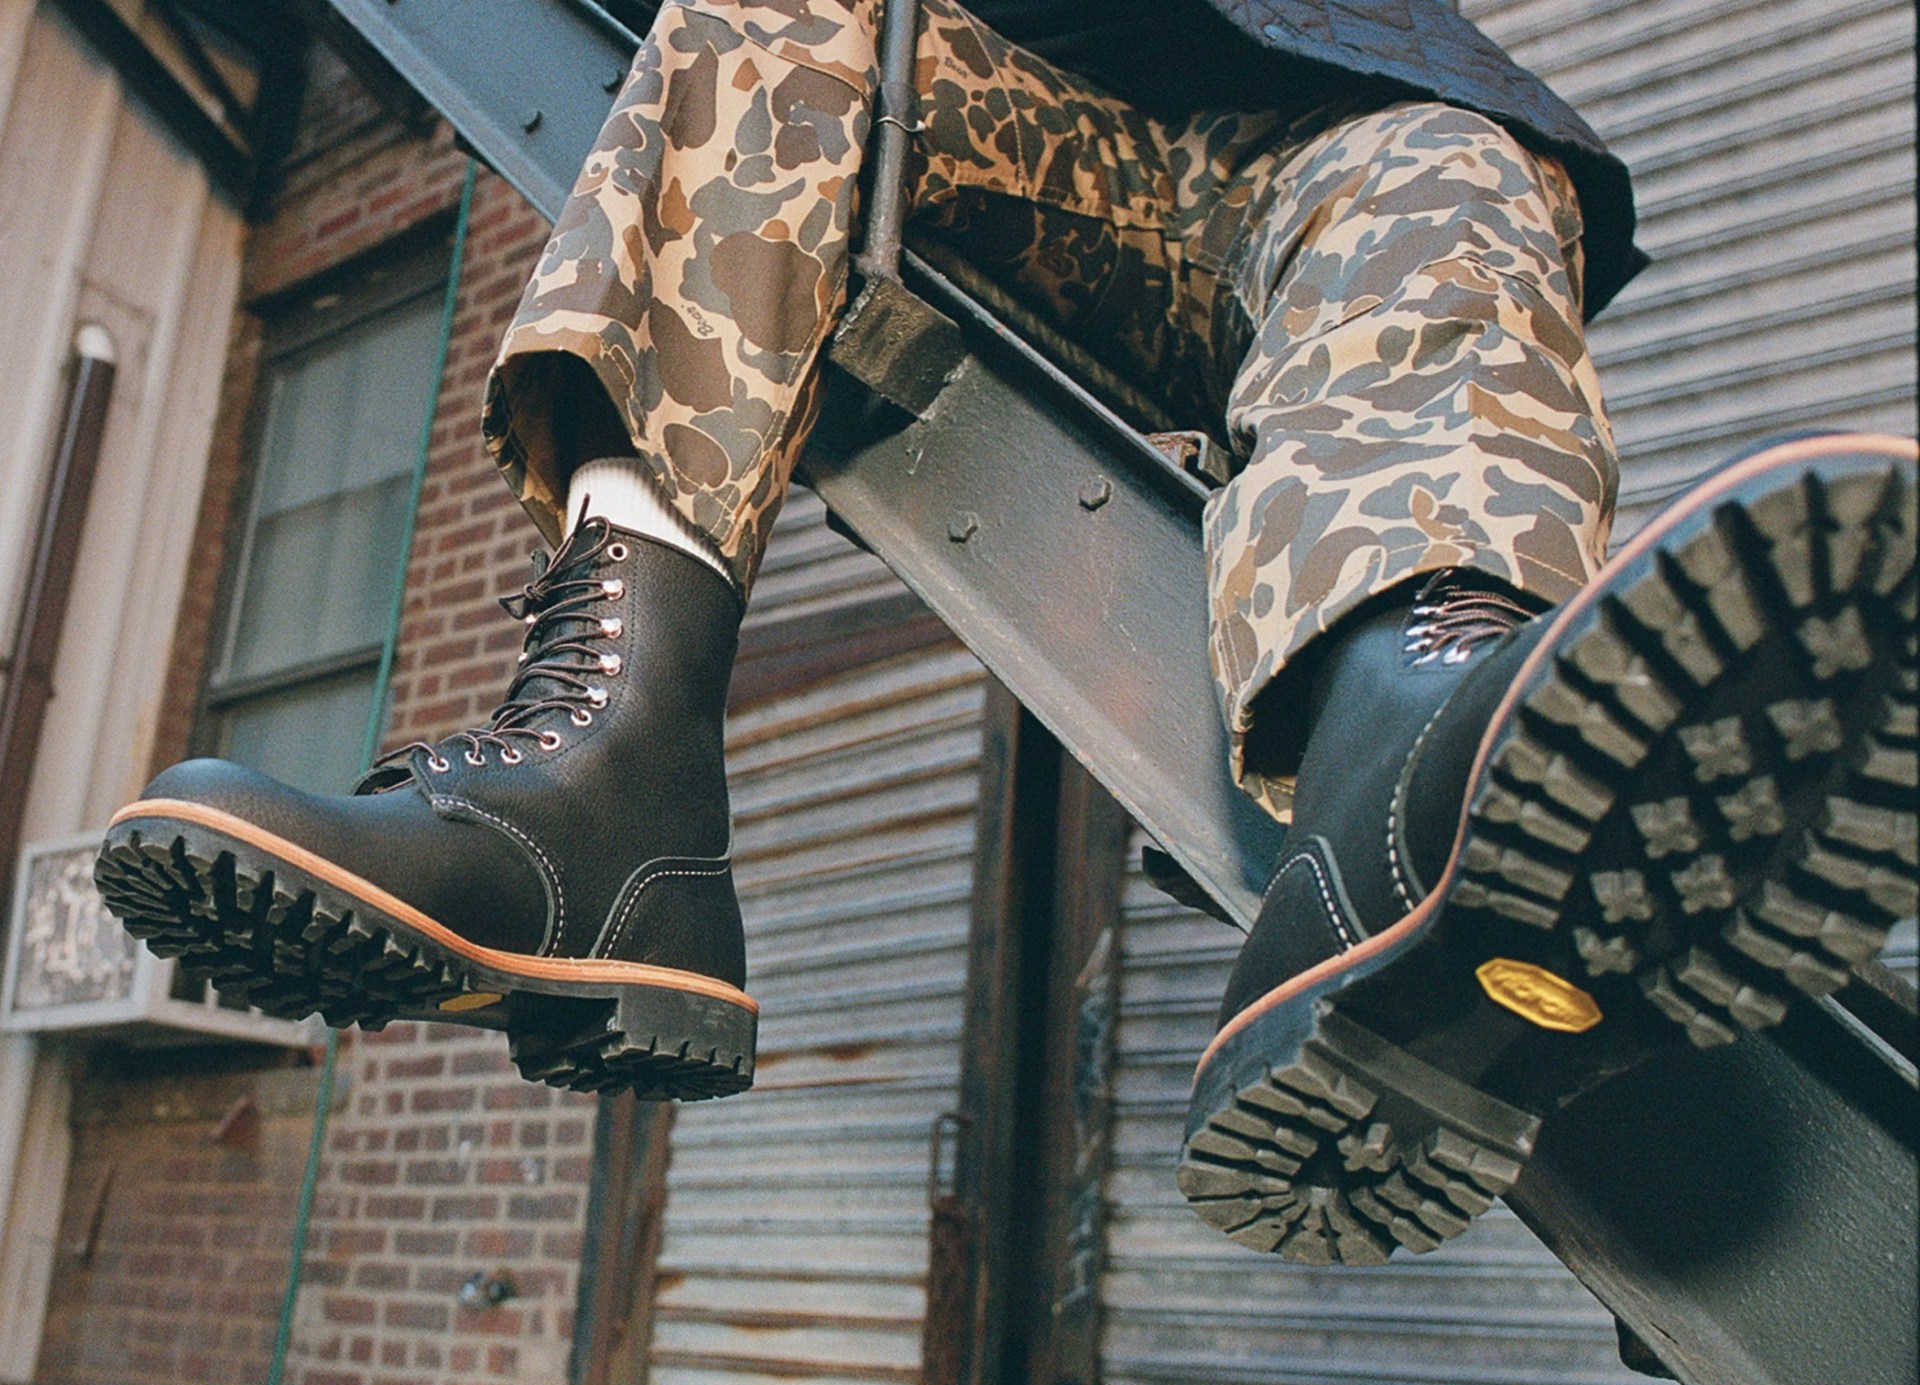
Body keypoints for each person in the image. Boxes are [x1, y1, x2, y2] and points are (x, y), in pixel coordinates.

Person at [94, 0, 1916, 1262]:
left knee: (1454, 171)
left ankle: (1408, 742)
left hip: (1329, 132)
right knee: (755, 28)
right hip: (1015, 133)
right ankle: (604, 781)